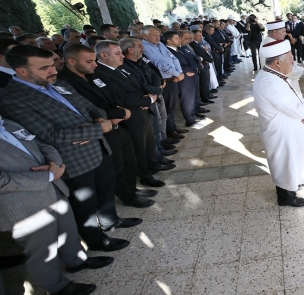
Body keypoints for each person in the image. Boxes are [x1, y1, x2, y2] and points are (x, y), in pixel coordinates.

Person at [0, 45, 139, 252]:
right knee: (85, 202)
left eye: (52, 65)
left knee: (106, 186)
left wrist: (99, 119)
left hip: (97, 147)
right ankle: (95, 239)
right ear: (22, 71)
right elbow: (51, 135)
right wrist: (100, 127)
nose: (54, 70)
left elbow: (91, 107)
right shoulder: (13, 98)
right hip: (72, 159)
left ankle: (110, 219)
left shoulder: (58, 84)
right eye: (45, 68)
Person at [0, 117, 113, 295]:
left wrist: (54, 163)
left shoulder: (7, 124)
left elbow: (41, 144)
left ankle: (76, 260)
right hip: (20, 203)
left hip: (53, 187)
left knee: (67, 229)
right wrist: (48, 177)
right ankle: (57, 286)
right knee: (42, 249)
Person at [58, 43, 159, 206]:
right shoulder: (65, 82)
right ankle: (127, 196)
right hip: (103, 126)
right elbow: (85, 106)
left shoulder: (92, 74)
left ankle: (132, 189)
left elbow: (111, 94)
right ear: (71, 61)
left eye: (94, 60)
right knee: (117, 165)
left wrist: (119, 110)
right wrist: (114, 114)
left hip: (117, 122)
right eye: (89, 61)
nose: (95, 64)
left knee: (129, 160)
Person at [93, 41, 174, 185]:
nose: (122, 56)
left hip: (143, 110)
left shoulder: (119, 68)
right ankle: (144, 174)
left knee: (148, 142)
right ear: (103, 55)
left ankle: (153, 164)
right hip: (132, 115)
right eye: (117, 53)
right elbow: (119, 96)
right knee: (139, 147)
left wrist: (150, 95)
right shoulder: (100, 73)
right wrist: (146, 100)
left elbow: (139, 84)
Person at [253, 40, 304, 207]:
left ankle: (289, 192)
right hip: (282, 130)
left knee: (287, 161)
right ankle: (287, 198)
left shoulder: (271, 74)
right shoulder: (271, 82)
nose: (293, 61)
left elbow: (293, 98)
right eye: (290, 58)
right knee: (285, 162)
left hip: (283, 127)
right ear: (277, 62)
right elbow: (293, 108)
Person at [141, 26, 187, 138]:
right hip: (165, 80)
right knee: (165, 108)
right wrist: (177, 74)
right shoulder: (145, 47)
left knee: (172, 106)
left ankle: (173, 127)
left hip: (174, 78)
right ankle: (168, 132)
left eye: (159, 35)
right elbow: (158, 63)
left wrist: (179, 73)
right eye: (154, 35)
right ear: (145, 36)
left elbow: (173, 58)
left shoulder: (160, 44)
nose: (158, 37)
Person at [261, 20, 304, 95]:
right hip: (282, 83)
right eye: (283, 31)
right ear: (275, 32)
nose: (285, 34)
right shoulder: (272, 46)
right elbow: (287, 70)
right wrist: (301, 69)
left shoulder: (267, 41)